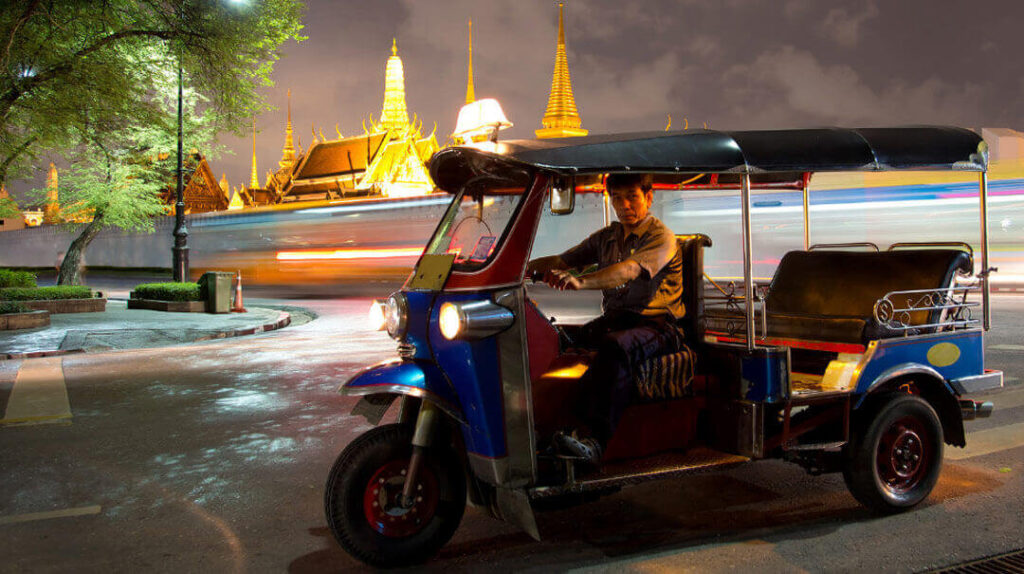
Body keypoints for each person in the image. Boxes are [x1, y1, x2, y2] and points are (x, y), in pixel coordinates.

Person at [526, 173, 686, 464]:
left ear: (649, 197)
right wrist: (519, 268)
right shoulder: (608, 237)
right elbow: (563, 261)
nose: (624, 205)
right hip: (618, 320)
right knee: (566, 339)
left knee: (615, 347)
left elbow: (629, 270)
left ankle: (595, 440)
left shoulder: (661, 237)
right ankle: (550, 427)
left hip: (659, 326)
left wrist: (582, 282)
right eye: (617, 198)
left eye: (632, 196)